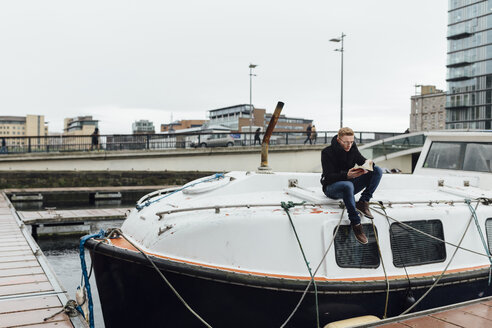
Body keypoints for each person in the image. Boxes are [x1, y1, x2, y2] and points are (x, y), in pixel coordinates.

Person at [321, 127, 383, 244]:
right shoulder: (327, 152)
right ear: (339, 140)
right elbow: (328, 177)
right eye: (346, 142)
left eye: (351, 142)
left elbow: (362, 160)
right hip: (331, 188)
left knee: (378, 170)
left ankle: (363, 202)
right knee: (348, 185)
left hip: (348, 183)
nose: (349, 145)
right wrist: (346, 175)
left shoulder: (352, 149)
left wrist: (368, 165)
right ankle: (356, 223)